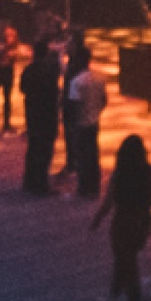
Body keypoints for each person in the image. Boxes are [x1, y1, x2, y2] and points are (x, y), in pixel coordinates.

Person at [95, 133, 151, 301]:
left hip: (122, 223)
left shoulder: (119, 174)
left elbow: (109, 201)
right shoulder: (148, 172)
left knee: (128, 267)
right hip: (141, 222)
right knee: (124, 262)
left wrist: (98, 219)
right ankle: (112, 300)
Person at [20, 40, 62, 197]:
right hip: (47, 115)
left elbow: (22, 88)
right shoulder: (49, 70)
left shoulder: (29, 69)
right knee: (45, 151)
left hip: (32, 115)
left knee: (32, 149)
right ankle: (41, 184)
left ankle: (29, 181)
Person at [65, 40, 106, 197]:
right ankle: (94, 187)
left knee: (82, 156)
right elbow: (104, 100)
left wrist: (72, 124)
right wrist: (95, 112)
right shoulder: (99, 78)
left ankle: (83, 188)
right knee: (93, 154)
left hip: (81, 123)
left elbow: (73, 105)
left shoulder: (76, 82)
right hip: (94, 121)